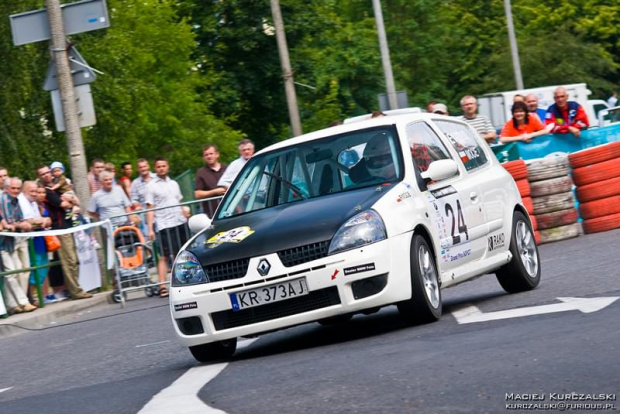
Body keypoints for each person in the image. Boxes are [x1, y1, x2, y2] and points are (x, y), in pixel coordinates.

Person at [36, 165, 93, 300]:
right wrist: (70, 201)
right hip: (60, 229)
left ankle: (74, 288)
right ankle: (76, 291)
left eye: (47, 172)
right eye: (42, 174)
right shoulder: (47, 192)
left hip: (69, 226)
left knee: (74, 260)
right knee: (70, 261)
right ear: (39, 177)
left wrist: (71, 200)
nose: (46, 175)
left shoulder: (58, 186)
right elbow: (64, 205)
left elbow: (75, 201)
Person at [145, 157, 189, 298]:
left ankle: (181, 282)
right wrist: (151, 229)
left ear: (167, 167)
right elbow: (150, 208)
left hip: (179, 222)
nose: (162, 168)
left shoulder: (174, 183)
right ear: (155, 168)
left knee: (180, 253)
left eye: (164, 165)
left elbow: (179, 202)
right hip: (164, 225)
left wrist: (185, 215)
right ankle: (162, 286)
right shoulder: (151, 186)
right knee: (163, 256)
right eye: (159, 166)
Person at [0, 177, 37, 314]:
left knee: (16, 272)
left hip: (11, 241)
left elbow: (18, 219)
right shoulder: (3, 200)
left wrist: (19, 223)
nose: (15, 191)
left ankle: (12, 304)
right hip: (3, 242)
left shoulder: (16, 200)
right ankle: (23, 301)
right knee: (10, 273)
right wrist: (20, 224)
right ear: (7, 188)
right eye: (13, 188)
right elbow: (11, 222)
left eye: (17, 188)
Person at [18, 181, 52, 305]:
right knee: (35, 266)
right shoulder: (22, 201)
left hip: (39, 237)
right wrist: (42, 220)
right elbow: (30, 221)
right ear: (25, 191)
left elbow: (43, 220)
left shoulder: (34, 203)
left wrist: (43, 220)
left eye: (36, 191)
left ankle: (33, 295)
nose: (34, 194)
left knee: (43, 265)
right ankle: (30, 296)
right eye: (32, 191)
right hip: (30, 240)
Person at [194, 144, 227, 217]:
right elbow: (197, 194)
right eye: (206, 155)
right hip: (212, 214)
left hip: (230, 210)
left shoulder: (227, 168)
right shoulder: (201, 173)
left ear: (217, 154)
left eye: (211, 154)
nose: (209, 156)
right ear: (204, 157)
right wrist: (214, 192)